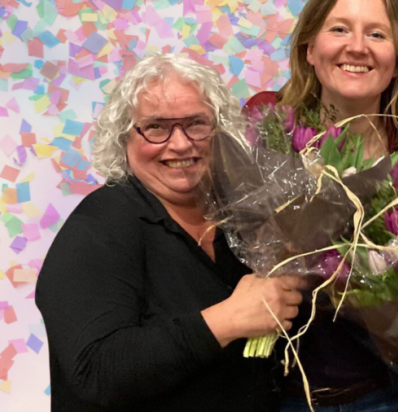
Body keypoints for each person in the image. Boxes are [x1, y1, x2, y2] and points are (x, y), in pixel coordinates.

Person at [35, 53, 303, 412]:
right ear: (124, 138)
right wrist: (229, 318)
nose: (180, 144)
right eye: (157, 127)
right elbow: (95, 372)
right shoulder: (99, 227)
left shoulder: (240, 219)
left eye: (196, 123)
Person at [244, 0, 398, 412]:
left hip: (381, 396)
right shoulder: (267, 122)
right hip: (270, 391)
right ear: (310, 48)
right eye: (340, 28)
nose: (357, 46)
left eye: (377, 34)